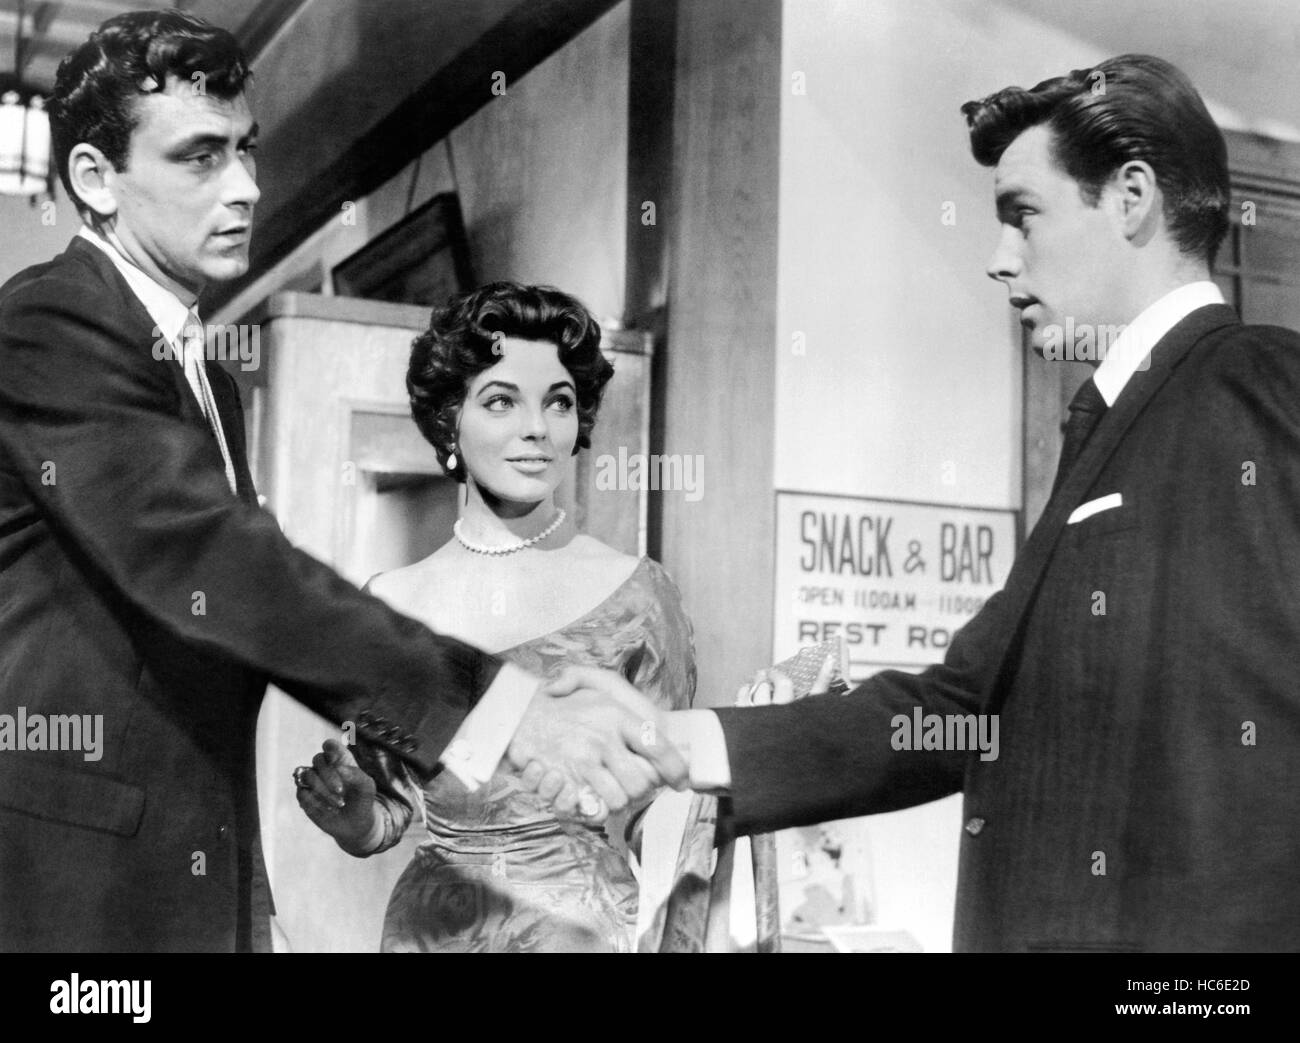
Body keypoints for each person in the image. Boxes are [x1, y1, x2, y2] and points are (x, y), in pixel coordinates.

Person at [543, 54, 1300, 952]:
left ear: (1132, 198)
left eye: (1023, 216)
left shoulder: (1255, 379)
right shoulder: (1105, 421)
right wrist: (677, 742)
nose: (998, 260)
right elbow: (960, 707)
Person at [0, 10, 680, 953]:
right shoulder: (50, 325)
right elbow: (217, 566)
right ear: (94, 180)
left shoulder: (210, 383)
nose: (246, 186)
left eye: (246, 149)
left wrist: (250, 909)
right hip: (78, 901)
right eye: (200, 157)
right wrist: (499, 709)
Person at [295, 283, 696, 952]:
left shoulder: (637, 594)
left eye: (558, 401)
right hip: (432, 932)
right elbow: (393, 807)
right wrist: (359, 821)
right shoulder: (391, 601)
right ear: (451, 418)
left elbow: (672, 816)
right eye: (502, 400)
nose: (536, 428)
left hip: (580, 933)